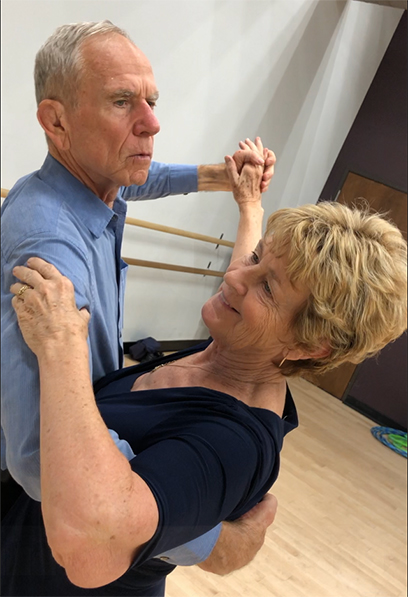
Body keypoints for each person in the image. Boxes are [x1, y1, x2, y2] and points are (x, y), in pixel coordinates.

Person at [4, 155, 407, 597]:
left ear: (311, 346)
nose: (234, 276)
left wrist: (61, 345)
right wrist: (249, 205)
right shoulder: (235, 344)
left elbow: (90, 551)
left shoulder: (235, 444)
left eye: (267, 286)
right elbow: (248, 265)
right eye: (255, 258)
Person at [1, 20, 276, 568]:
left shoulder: (87, 179)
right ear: (56, 122)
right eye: (122, 102)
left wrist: (221, 179)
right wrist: (211, 541)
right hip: (37, 521)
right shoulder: (52, 249)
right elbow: (37, 462)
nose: (152, 123)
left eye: (151, 100)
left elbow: (138, 176)